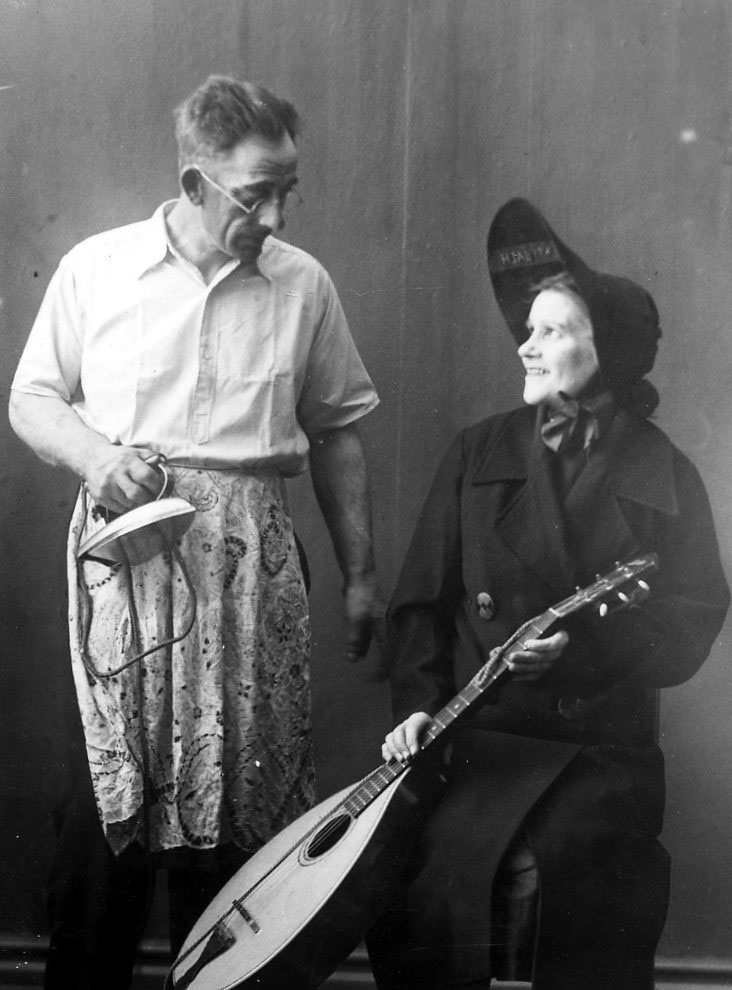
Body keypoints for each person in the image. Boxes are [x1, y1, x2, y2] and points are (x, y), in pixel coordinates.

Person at [8, 74, 380, 990]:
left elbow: (338, 431)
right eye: (257, 194)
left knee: (240, 824)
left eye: (289, 190)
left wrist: (361, 576)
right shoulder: (98, 269)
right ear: (193, 183)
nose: (277, 216)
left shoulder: (303, 286)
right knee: (104, 827)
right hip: (126, 574)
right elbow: (33, 396)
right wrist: (97, 458)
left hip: (253, 577)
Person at [366, 198, 730, 990]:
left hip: (598, 753)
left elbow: (692, 622)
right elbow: (420, 605)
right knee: (422, 879)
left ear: (609, 350)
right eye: (527, 330)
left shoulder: (666, 473)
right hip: (474, 741)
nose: (526, 347)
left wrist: (586, 647)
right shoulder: (478, 452)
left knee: (578, 874)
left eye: (552, 331)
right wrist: (418, 709)